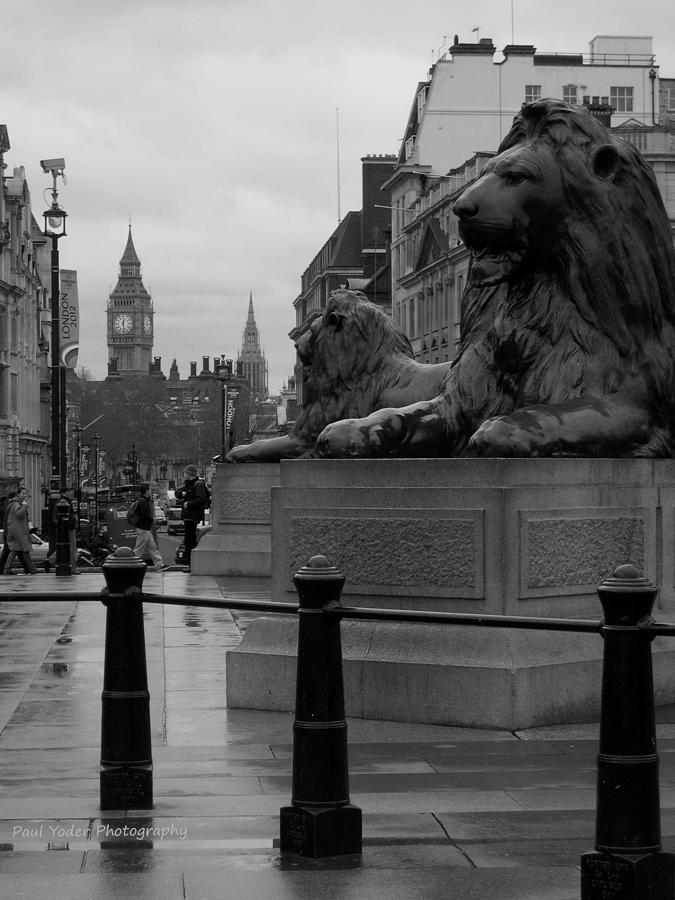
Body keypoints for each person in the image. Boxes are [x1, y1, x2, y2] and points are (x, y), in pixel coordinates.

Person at [174, 464, 208, 568]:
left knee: (190, 540)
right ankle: (190, 564)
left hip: (192, 516)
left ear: (190, 474)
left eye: (185, 472)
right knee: (189, 540)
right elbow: (177, 493)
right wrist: (183, 494)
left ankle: (191, 564)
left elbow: (200, 500)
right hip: (189, 515)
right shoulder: (189, 484)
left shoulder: (197, 485)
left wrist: (188, 503)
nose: (184, 474)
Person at [5, 487, 37, 575]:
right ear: (18, 494)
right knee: (25, 549)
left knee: (15, 550)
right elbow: (19, 514)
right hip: (18, 531)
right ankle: (32, 569)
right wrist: (25, 506)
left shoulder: (15, 503)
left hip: (16, 530)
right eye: (23, 493)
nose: (25, 495)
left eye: (25, 494)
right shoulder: (17, 504)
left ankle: (7, 568)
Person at [132, 483, 165, 570]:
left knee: (152, 547)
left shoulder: (143, 501)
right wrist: (152, 520)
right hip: (143, 528)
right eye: (150, 489)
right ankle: (131, 565)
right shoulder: (143, 501)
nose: (151, 491)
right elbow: (145, 515)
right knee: (139, 549)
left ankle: (159, 564)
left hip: (145, 528)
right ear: (146, 491)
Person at [52, 486, 78, 572]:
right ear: (63, 493)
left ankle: (50, 560)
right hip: (68, 527)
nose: (70, 493)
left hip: (66, 527)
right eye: (68, 492)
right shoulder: (63, 502)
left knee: (64, 547)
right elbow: (57, 517)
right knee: (72, 548)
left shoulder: (64, 501)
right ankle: (73, 568)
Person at [0, 493, 13, 574]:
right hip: (9, 531)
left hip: (7, 530)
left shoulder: (6, 507)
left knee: (8, 551)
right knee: (11, 550)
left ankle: (3, 568)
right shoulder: (8, 507)